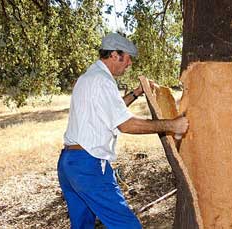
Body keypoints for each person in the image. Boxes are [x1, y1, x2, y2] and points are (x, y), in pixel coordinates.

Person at [57, 33, 189, 229]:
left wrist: (136, 93)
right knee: (126, 225)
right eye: (127, 58)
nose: (129, 65)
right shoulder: (103, 80)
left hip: (69, 164)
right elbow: (125, 125)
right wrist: (172, 125)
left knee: (82, 225)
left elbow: (111, 111)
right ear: (114, 55)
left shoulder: (88, 77)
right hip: (89, 165)